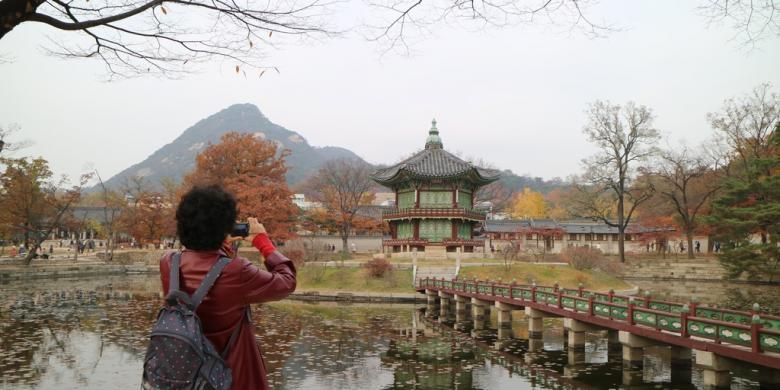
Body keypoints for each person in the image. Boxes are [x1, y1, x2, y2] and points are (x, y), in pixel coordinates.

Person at [159, 185, 296, 390]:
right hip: (231, 378)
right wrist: (263, 242)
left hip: (188, 377)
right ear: (225, 226)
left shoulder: (169, 263)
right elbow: (286, 281)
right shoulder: (236, 271)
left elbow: (206, 265)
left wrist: (219, 243)